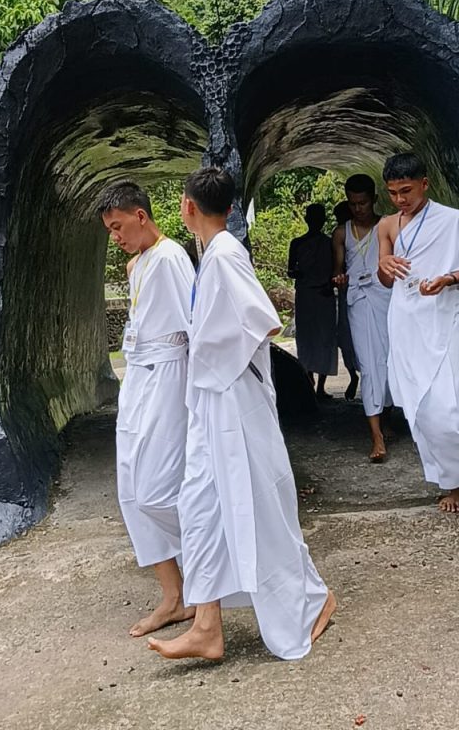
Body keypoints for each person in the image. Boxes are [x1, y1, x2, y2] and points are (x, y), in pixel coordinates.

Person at [148, 167, 336, 661]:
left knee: (257, 507)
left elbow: (263, 321)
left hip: (233, 401)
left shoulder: (226, 254)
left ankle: (312, 598)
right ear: (230, 208)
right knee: (200, 508)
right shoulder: (213, 253)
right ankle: (207, 626)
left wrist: (219, 357)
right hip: (213, 401)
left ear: (187, 207)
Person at [98, 180, 195, 633]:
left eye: (118, 226)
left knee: (160, 487)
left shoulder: (172, 258)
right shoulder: (138, 264)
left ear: (140, 216)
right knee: (132, 488)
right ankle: (173, 596)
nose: (115, 237)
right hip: (137, 375)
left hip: (169, 375)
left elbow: (195, 325)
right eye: (109, 231)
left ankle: (212, 571)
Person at [378, 153, 459, 512]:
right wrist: (384, 263)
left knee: (449, 408)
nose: (400, 199)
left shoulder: (452, 220)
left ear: (424, 184)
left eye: (406, 191)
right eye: (393, 193)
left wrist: (449, 278)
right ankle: (451, 483)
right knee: (421, 409)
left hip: (445, 318)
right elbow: (385, 280)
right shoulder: (387, 226)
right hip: (406, 323)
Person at [333, 176, 392, 461]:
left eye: (363, 203)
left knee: (390, 362)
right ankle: (376, 436)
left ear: (374, 200)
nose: (358, 209)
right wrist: (339, 278)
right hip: (358, 301)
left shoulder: (389, 226)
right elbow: (337, 269)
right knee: (369, 366)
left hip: (387, 299)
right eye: (353, 204)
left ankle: (388, 416)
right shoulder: (341, 233)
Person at [288, 203, 338, 400]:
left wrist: (329, 284)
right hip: (306, 296)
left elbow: (338, 268)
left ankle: (321, 387)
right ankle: (309, 380)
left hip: (324, 295)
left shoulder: (330, 244)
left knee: (325, 338)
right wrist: (299, 273)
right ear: (307, 220)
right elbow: (290, 270)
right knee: (307, 338)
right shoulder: (297, 243)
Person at [333, 201, 360, 401]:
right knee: (345, 337)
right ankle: (353, 374)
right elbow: (337, 268)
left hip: (369, 291)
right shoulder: (340, 235)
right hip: (346, 293)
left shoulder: (376, 229)